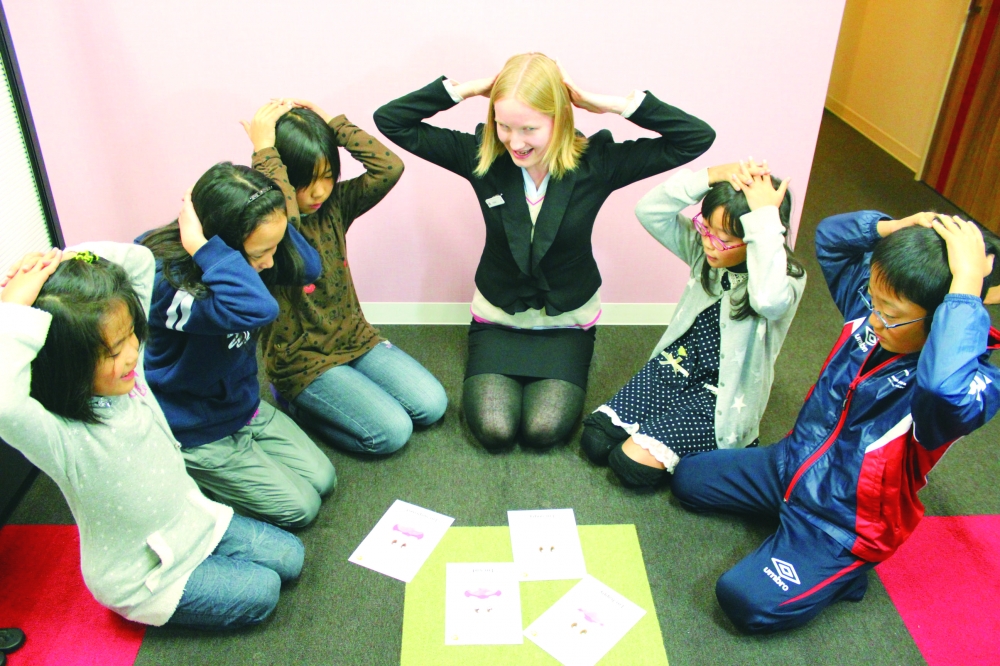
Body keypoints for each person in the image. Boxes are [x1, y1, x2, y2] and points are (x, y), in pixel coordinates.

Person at [671, 211, 1000, 633]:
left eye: (890, 313)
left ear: (942, 318)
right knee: (689, 479)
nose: (874, 318)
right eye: (874, 303)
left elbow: (942, 389)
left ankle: (844, 573)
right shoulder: (874, 317)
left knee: (744, 600)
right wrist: (894, 227)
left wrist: (967, 286)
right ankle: (787, 513)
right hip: (789, 465)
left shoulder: (968, 384)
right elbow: (829, 238)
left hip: (842, 522)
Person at [374, 52, 715, 452]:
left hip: (567, 321)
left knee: (542, 432)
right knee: (495, 431)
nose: (515, 142)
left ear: (560, 118)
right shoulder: (482, 158)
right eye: (503, 126)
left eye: (529, 128)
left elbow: (695, 137)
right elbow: (390, 120)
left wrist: (608, 104)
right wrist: (467, 90)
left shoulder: (597, 163)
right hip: (498, 317)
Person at [0, 244, 304, 629]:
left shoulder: (130, 379)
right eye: (113, 350)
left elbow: (140, 262)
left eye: (131, 336)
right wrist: (11, 310)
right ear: (66, 363)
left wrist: (58, 262)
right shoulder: (62, 437)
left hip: (194, 521)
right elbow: (4, 403)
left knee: (291, 557)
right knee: (265, 591)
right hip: (145, 577)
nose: (131, 353)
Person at [139, 101, 335, 529]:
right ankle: (181, 470)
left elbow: (310, 267)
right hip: (196, 427)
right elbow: (257, 309)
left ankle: (244, 448)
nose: (270, 264)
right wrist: (205, 248)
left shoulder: (245, 259)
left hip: (242, 405)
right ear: (219, 246)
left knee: (323, 479)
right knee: (301, 508)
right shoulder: (169, 280)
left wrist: (274, 213)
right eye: (261, 254)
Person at [581, 159, 805, 488]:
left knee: (629, 466)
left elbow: (768, 301)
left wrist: (765, 222)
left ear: (756, 237)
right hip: (675, 366)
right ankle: (665, 425)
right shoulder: (705, 254)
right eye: (707, 229)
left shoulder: (783, 279)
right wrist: (712, 175)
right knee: (596, 440)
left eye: (725, 238)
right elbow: (649, 210)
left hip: (723, 395)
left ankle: (713, 445)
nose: (710, 243)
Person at [252, 99, 446, 455]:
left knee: (432, 405)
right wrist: (264, 150)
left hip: (356, 340)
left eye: (327, 177)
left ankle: (346, 391)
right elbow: (289, 221)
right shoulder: (268, 229)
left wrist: (333, 125)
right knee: (392, 432)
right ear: (283, 177)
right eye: (305, 182)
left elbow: (389, 167)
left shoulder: (336, 205)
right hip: (303, 362)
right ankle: (296, 404)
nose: (319, 192)